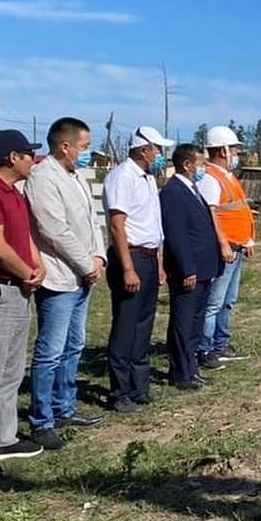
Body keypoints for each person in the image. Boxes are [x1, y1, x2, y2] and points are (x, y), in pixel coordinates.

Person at [24, 117, 107, 449]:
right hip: (60, 276)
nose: (87, 153)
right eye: (84, 147)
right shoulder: (43, 179)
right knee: (50, 351)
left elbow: (91, 220)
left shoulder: (77, 177)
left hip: (83, 274)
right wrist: (86, 264)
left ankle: (64, 407)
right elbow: (54, 230)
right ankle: (41, 419)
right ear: (64, 145)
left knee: (75, 345)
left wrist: (99, 257)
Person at [0, 130, 45, 483]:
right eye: (29, 154)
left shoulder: (15, 194)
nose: (34, 159)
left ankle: (4, 437)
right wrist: (26, 272)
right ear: (12, 157)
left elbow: (25, 237)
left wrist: (36, 265)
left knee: (11, 370)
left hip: (18, 289)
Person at [103, 125, 169, 412]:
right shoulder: (122, 177)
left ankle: (139, 386)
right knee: (126, 326)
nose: (160, 155)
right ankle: (120, 392)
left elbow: (153, 226)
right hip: (130, 257)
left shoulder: (147, 178)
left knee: (144, 325)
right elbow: (118, 226)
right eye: (158, 149)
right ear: (144, 150)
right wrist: (128, 268)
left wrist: (159, 262)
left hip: (149, 257)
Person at [160, 145, 227, 389]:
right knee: (184, 322)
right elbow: (177, 235)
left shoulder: (192, 188)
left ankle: (191, 368)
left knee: (196, 322)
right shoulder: (173, 193)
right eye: (200, 163)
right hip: (189, 271)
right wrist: (187, 268)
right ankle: (180, 372)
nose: (204, 168)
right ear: (187, 165)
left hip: (204, 268)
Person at [196, 125, 254, 368]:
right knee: (214, 302)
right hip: (225, 249)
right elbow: (212, 216)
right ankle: (205, 348)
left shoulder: (228, 177)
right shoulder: (210, 178)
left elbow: (239, 210)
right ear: (222, 150)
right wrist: (224, 245)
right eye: (234, 149)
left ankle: (221, 343)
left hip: (237, 246)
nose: (236, 153)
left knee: (228, 300)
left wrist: (248, 239)